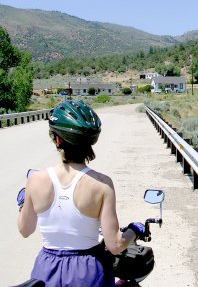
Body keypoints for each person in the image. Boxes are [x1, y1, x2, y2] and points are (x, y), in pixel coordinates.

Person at [17, 100, 145, 286]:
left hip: (46, 269)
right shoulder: (102, 185)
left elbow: (25, 230)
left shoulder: (35, 180)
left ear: (58, 139)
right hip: (88, 269)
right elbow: (115, 245)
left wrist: (23, 205)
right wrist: (134, 229)